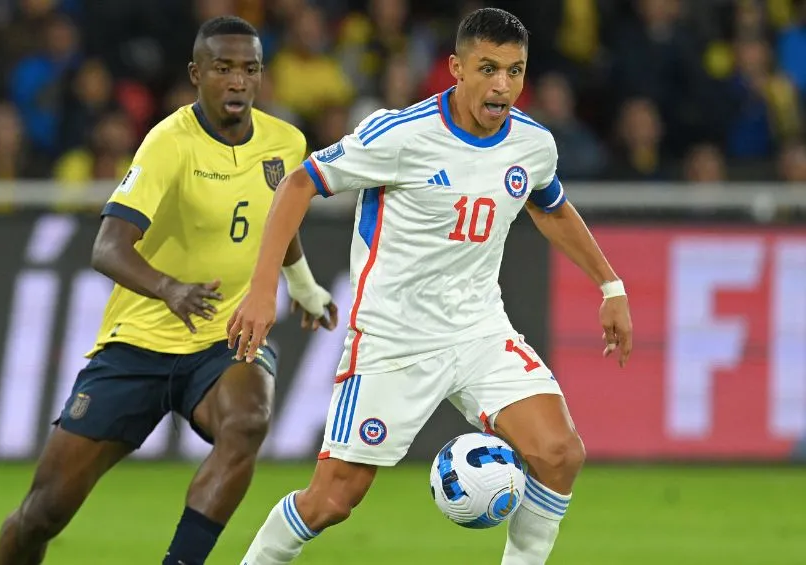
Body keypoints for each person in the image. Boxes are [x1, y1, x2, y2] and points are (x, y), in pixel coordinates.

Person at [228, 8, 633, 565]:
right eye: (488, 69)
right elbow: (300, 183)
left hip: (479, 330)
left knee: (559, 453)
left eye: (514, 71)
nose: (501, 85)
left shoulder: (533, 144)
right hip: (392, 340)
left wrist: (610, 286)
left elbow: (552, 207)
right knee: (332, 499)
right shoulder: (400, 135)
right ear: (456, 69)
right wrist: (261, 290)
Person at [0, 16, 338, 565]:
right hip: (139, 343)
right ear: (197, 74)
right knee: (42, 514)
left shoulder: (285, 142)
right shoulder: (168, 144)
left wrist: (305, 285)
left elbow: (280, 219)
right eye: (223, 69)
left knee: (247, 420)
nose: (238, 81)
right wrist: (169, 289)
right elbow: (107, 245)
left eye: (249, 69)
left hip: (222, 338)